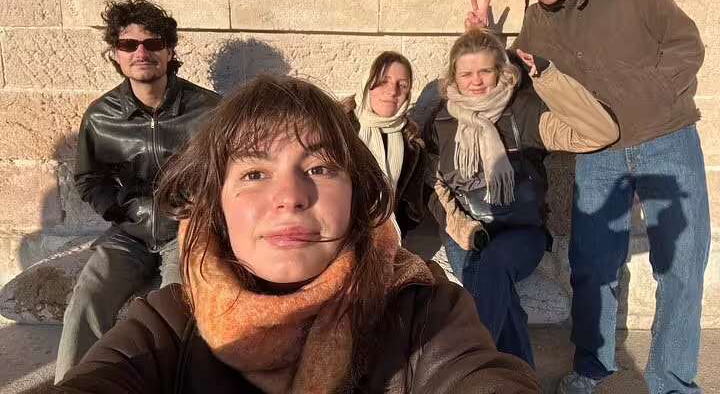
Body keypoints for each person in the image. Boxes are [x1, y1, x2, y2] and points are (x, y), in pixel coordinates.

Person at [45, 75, 544, 394]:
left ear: (358, 197)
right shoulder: (168, 322)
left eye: (322, 167)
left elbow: (477, 375)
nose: (290, 196)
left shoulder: (423, 310)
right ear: (215, 204)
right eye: (254, 174)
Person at [487, 0, 708, 394]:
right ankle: (591, 366)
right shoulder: (536, 24)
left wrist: (654, 98)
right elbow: (523, 87)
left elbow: (686, 43)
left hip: (668, 137)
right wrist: (488, 39)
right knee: (591, 267)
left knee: (681, 264)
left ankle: (671, 382)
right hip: (598, 155)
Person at [425, 28, 618, 368]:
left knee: (494, 267)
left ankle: (468, 372)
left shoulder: (523, 111)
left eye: (485, 71)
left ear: (501, 71)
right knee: (501, 298)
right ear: (453, 76)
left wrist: (550, 78)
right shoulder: (442, 118)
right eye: (466, 73)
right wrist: (458, 227)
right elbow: (434, 186)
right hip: (465, 232)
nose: (476, 81)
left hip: (521, 232)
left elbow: (600, 132)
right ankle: (519, 382)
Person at [55, 0, 221, 382]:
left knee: (176, 304)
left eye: (152, 43)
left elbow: (231, 170)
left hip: (186, 230)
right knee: (85, 300)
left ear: (169, 50)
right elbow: (88, 178)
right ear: (116, 53)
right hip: (127, 232)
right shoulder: (101, 115)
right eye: (129, 45)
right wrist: (119, 210)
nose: (141, 52)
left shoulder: (209, 109)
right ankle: (73, 387)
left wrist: (202, 208)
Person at [342, 51, 427, 237]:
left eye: (402, 85)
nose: (392, 91)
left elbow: (412, 209)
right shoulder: (337, 129)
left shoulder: (412, 146)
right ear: (367, 84)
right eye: (383, 81)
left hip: (385, 243)